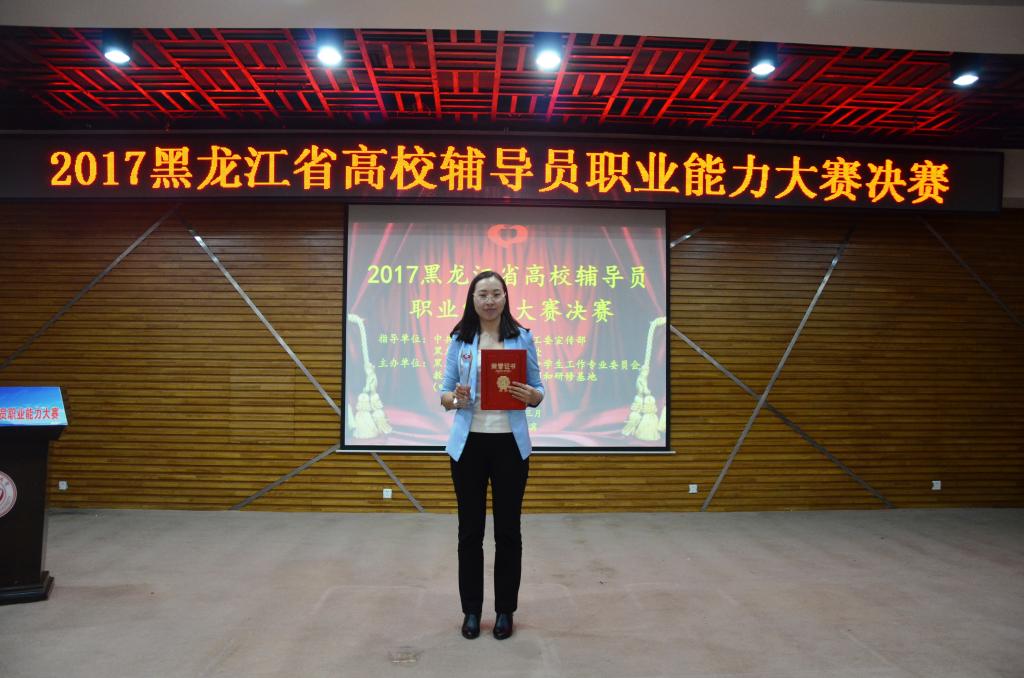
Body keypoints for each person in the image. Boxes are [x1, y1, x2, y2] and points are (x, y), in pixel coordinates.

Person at [440, 270, 544, 640]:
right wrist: (456, 399)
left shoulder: (522, 337)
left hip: (509, 446)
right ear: (472, 299)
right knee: (470, 532)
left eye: (495, 294)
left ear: (505, 298)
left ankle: (504, 611)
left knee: (508, 532)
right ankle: (471, 611)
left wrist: (531, 396)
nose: (489, 300)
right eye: (482, 294)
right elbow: (444, 394)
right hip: (468, 446)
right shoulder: (460, 339)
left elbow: (538, 389)